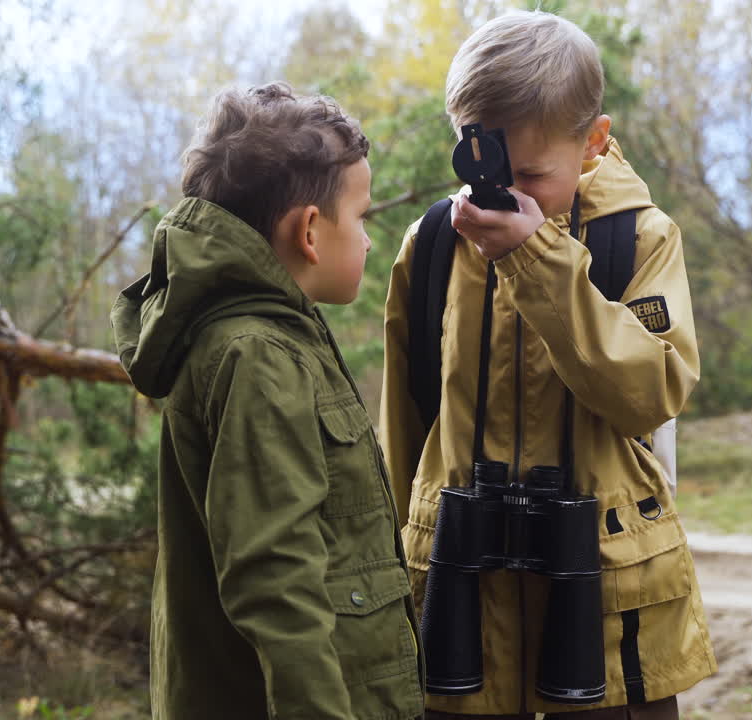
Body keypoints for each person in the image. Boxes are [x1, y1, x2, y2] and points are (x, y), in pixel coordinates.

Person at [379, 11, 716, 720]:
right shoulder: (435, 243)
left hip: (601, 604)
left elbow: (652, 392)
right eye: (488, 169)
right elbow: (406, 421)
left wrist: (534, 258)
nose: (507, 193)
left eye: (533, 173)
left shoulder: (641, 237)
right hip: (459, 599)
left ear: (594, 140)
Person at [111, 83, 423, 720]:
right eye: (360, 217)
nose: (366, 241)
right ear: (309, 230)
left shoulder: (270, 335)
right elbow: (275, 578)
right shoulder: (256, 355)